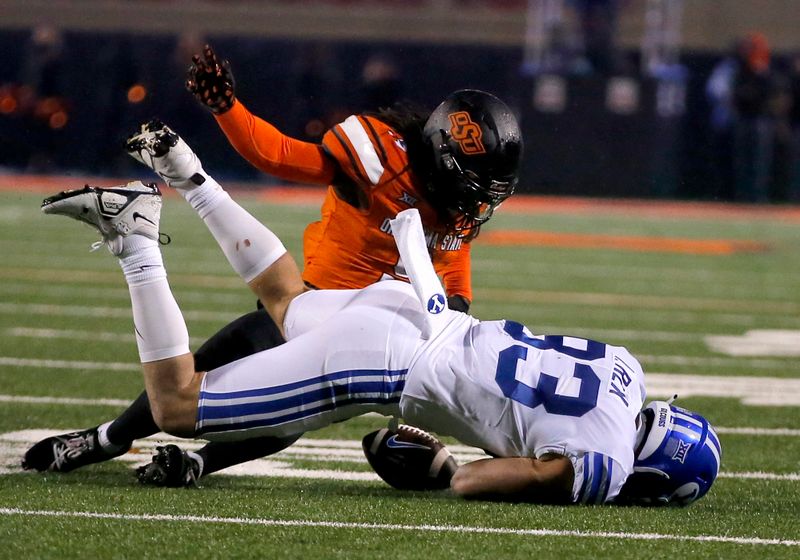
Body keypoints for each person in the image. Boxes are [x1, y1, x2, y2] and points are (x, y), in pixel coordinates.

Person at [31, 127, 720, 505]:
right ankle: (135, 238)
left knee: (283, 298)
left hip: (410, 311)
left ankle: (191, 176)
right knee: (177, 404)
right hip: (388, 361)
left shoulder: (624, 367)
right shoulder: (605, 463)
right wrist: (446, 464)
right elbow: (476, 481)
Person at [22, 46, 524, 485]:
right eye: (474, 183)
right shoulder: (381, 160)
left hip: (376, 346)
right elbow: (280, 155)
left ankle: (191, 461)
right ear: (441, 152)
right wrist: (228, 109)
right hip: (310, 310)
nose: (477, 202)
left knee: (284, 412)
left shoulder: (453, 213)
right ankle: (109, 439)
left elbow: (455, 290)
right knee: (212, 377)